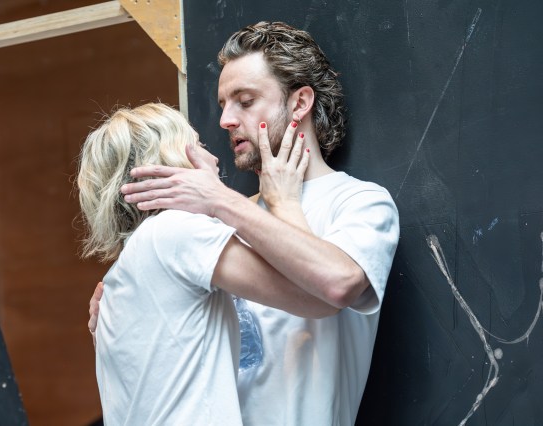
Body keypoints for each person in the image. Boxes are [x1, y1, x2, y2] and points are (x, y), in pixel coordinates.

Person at [90, 21, 400, 425]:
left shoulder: (360, 203)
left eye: (245, 100)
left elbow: (338, 285)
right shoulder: (211, 220)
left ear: (300, 103)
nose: (225, 120)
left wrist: (243, 202)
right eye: (223, 104)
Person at [77, 102, 335, 425]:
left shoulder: (120, 280)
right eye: (197, 148)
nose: (214, 160)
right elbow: (315, 293)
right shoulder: (173, 233)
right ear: (170, 166)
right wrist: (284, 203)